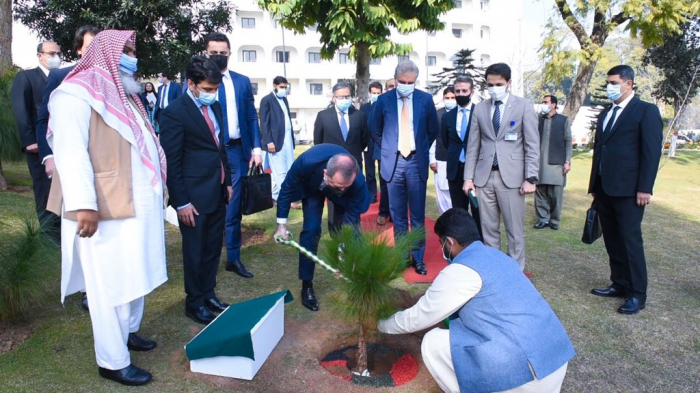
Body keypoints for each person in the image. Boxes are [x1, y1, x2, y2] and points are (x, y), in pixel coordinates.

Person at [46, 30, 167, 386]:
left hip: (138, 206)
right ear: (103, 52)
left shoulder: (125, 93)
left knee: (136, 273)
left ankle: (128, 332)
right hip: (102, 208)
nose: (132, 55)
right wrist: (84, 204)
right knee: (110, 283)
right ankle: (112, 360)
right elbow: (70, 153)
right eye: (126, 49)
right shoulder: (74, 92)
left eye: (134, 48)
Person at [378, 208, 575, 393]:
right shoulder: (499, 257)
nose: (442, 250)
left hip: (529, 375)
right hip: (555, 361)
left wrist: (382, 324)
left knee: (433, 342)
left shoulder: (461, 271)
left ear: (450, 242)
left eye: (441, 244)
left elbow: (418, 317)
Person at [160, 56, 232, 325]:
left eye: (216, 89)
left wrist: (227, 181)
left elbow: (218, 146)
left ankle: (209, 292)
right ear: (190, 84)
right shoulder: (174, 113)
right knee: (195, 250)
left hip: (217, 190)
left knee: (213, 247)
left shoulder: (216, 107)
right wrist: (181, 202)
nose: (212, 94)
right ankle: (194, 301)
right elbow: (172, 162)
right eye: (208, 89)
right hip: (193, 197)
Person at [588, 65, 663, 315]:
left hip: (630, 191)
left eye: (613, 82)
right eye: (608, 82)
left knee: (630, 241)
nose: (609, 86)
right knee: (611, 238)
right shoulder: (606, 114)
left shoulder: (645, 111)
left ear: (628, 83)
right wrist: (594, 186)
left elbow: (650, 153)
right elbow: (600, 150)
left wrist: (645, 188)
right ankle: (619, 283)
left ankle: (637, 293)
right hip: (604, 188)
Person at [273, 144, 371, 311]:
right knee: (311, 230)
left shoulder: (356, 182)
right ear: (326, 173)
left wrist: (344, 245)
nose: (342, 189)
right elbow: (287, 189)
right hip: (313, 189)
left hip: (344, 198)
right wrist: (281, 225)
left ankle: (356, 283)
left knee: (353, 236)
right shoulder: (306, 162)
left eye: (345, 186)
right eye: (339, 186)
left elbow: (351, 218)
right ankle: (307, 285)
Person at [462, 63, 539, 271]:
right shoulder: (480, 108)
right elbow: (473, 147)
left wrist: (531, 177)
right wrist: (468, 178)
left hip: (513, 179)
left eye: (499, 84)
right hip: (484, 178)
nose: (494, 88)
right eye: (490, 84)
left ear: (508, 83)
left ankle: (514, 273)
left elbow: (532, 145)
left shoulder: (524, 106)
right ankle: (494, 271)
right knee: (489, 230)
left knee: (514, 230)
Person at [369, 60, 439, 275]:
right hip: (394, 162)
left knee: (417, 215)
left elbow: (432, 129)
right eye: (402, 81)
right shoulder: (383, 101)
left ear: (415, 81)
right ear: (396, 79)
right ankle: (401, 256)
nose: (406, 85)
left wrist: (420, 147)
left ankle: (418, 258)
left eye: (411, 82)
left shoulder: (425, 100)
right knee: (397, 214)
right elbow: (374, 128)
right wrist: (389, 148)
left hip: (416, 162)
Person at [203, 32, 262, 279]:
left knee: (234, 206)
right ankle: (207, 258)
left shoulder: (242, 81)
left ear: (229, 53)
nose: (218, 57)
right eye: (213, 53)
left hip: (237, 151)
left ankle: (233, 258)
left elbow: (250, 115)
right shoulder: (198, 82)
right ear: (206, 53)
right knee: (210, 205)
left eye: (222, 53)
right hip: (209, 154)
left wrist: (256, 148)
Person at [10, 40, 62, 240]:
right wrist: (30, 140)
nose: (55, 57)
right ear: (39, 55)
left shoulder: (62, 79)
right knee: (45, 190)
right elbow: (21, 111)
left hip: (61, 144)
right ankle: (49, 236)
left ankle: (63, 232)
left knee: (61, 190)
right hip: (38, 147)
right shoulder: (26, 77)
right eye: (51, 53)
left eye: (58, 53)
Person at [313, 82, 370, 233]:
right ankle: (335, 237)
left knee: (353, 204)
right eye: (341, 96)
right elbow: (318, 143)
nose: (344, 99)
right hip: (332, 169)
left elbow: (364, 139)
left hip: (353, 167)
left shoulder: (359, 116)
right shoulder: (323, 116)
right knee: (334, 206)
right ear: (333, 98)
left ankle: (353, 237)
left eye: (347, 96)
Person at [534, 95, 572, 231]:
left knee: (556, 193)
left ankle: (554, 220)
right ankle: (543, 219)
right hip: (538, 163)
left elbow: (568, 142)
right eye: (542, 102)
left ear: (554, 104)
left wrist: (567, 161)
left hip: (557, 163)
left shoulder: (563, 120)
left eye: (546, 102)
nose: (543, 104)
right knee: (540, 192)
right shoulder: (538, 120)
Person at [260, 76, 297, 204]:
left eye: (286, 87)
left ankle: (275, 196)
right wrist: (269, 141)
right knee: (280, 171)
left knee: (287, 169)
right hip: (275, 141)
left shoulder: (284, 100)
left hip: (287, 140)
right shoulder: (266, 100)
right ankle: (286, 199)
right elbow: (264, 123)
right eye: (281, 87)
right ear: (274, 86)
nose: (284, 90)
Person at [441, 79, 477, 211]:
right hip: (455, 170)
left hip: (476, 171)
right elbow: (446, 142)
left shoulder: (480, 112)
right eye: (458, 91)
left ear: (471, 92)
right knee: (459, 210)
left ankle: (478, 232)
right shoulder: (447, 117)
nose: (461, 94)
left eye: (464, 91)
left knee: (478, 210)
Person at [374, 78, 397, 225]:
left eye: (394, 86)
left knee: (400, 185)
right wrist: (385, 146)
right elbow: (374, 127)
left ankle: (396, 214)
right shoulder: (381, 102)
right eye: (390, 86)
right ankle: (383, 212)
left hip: (403, 152)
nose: (392, 88)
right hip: (384, 151)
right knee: (385, 182)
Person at [430, 86, 456, 215]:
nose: (450, 100)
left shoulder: (463, 113)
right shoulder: (437, 115)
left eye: (453, 98)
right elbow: (432, 139)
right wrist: (432, 160)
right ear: (443, 99)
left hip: (459, 161)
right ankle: (445, 221)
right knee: (443, 192)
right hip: (441, 159)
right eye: (447, 98)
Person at [359, 81, 383, 204]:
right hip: (368, 144)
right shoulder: (364, 108)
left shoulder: (384, 106)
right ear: (370, 93)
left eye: (378, 93)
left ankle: (385, 196)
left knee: (383, 171)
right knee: (369, 171)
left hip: (381, 144)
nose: (376, 95)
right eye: (374, 93)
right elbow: (362, 126)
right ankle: (372, 195)